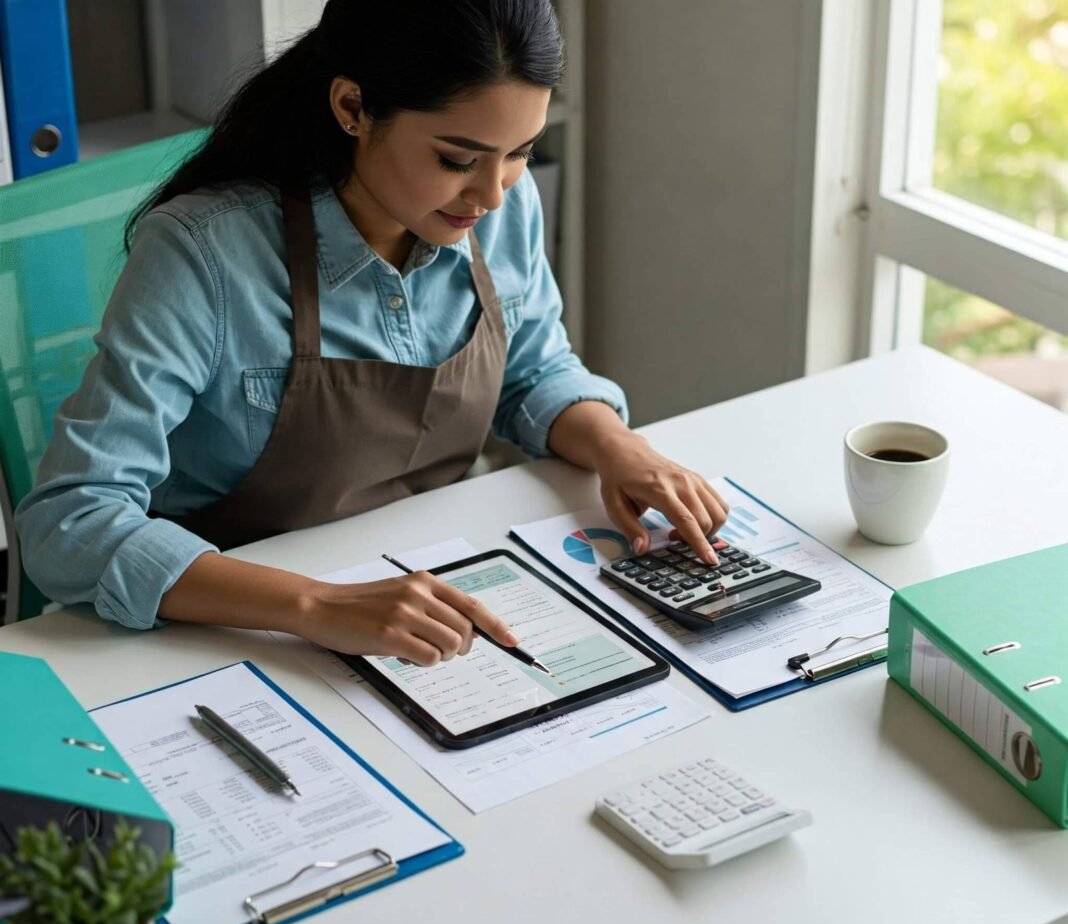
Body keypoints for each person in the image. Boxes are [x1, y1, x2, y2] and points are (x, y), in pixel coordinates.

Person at [15, 0, 728, 666]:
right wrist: (316, 604)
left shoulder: (497, 209)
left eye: (519, 152)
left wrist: (620, 449)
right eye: (457, 160)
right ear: (353, 107)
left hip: (440, 592)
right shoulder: (205, 255)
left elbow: (533, 372)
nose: (494, 194)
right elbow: (70, 520)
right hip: (240, 630)